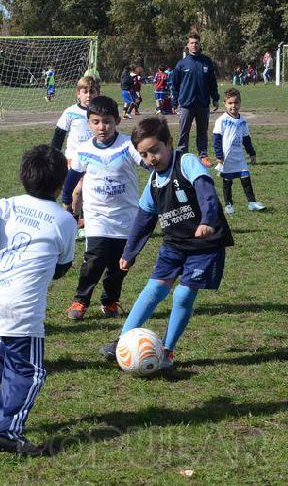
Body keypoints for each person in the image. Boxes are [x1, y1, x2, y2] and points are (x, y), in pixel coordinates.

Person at [0, 144, 76, 456]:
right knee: (30, 370)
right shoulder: (64, 220)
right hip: (20, 303)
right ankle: (7, 431)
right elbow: (62, 268)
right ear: (61, 183)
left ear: (24, 176)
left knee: (11, 343)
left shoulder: (6, 204)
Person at [98, 116, 233, 370]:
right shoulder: (153, 182)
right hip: (173, 245)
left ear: (168, 143)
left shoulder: (187, 163)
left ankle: (167, 351)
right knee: (153, 290)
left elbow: (207, 193)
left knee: (182, 294)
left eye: (155, 150)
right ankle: (122, 342)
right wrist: (130, 252)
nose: (151, 158)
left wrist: (208, 221)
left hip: (204, 246)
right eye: (144, 154)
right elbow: (143, 220)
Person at [59, 96, 145, 320]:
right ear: (89, 123)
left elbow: (147, 162)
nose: (101, 127)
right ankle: (80, 301)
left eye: (106, 121)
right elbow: (73, 177)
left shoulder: (127, 145)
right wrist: (67, 200)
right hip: (97, 216)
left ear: (117, 120)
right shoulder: (84, 150)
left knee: (120, 265)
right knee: (94, 261)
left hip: (126, 218)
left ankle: (110, 301)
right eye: (95, 122)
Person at [50, 76, 102, 240]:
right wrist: (53, 155)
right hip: (73, 159)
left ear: (98, 94)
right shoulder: (70, 112)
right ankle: (70, 223)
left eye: (92, 92)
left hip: (95, 160)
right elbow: (59, 135)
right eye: (85, 92)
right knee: (77, 191)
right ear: (78, 94)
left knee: (91, 193)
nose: (88, 95)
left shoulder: (99, 113)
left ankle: (83, 223)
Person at [212, 88, 264, 214]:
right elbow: (216, 139)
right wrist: (219, 155)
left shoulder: (243, 121)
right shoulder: (222, 120)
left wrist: (252, 153)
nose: (233, 106)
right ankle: (229, 205)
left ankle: (252, 203)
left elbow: (246, 139)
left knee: (246, 178)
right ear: (225, 104)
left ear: (240, 103)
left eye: (236, 103)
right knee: (227, 182)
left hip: (239, 157)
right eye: (230, 103)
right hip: (227, 157)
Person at [172, 32, 220, 167]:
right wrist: (175, 102)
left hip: (203, 104)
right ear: (188, 45)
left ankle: (203, 156)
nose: (194, 45)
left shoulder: (207, 61)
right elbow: (174, 85)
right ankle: (182, 154)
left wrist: (215, 98)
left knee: (202, 131)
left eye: (196, 43)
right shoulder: (181, 64)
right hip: (186, 104)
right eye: (192, 43)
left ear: (199, 45)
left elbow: (212, 82)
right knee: (183, 131)